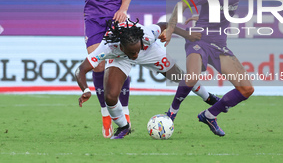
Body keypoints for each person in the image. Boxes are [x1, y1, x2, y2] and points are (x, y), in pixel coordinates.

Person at [28, 0, 133, 138]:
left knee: (120, 65)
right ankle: (106, 114)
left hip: (116, 18)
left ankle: (124, 113)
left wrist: (123, 9)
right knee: (96, 64)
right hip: (93, 17)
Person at [75, 19, 220, 139]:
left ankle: (208, 97)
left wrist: (187, 34)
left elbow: (166, 24)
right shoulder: (108, 47)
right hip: (120, 59)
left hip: (150, 52)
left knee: (180, 77)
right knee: (110, 97)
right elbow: (81, 70)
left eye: (137, 50)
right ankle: (124, 127)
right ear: (121, 46)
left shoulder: (146, 35)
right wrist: (86, 90)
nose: (136, 55)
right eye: (133, 52)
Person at [165, 0, 254, 136]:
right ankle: (171, 113)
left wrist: (201, 15)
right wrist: (171, 29)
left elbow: (221, 11)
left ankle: (210, 115)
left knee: (247, 89)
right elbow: (181, 4)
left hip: (220, 45)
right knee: (192, 75)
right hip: (200, 40)